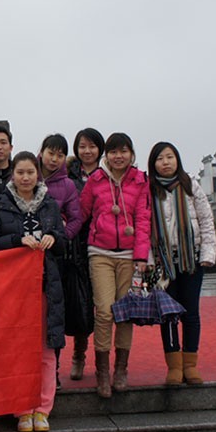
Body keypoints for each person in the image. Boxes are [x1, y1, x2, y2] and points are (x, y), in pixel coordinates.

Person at [0, 151, 66, 432]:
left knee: (45, 349)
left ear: (37, 174)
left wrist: (54, 238)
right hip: (12, 291)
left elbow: (64, 243)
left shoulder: (50, 205)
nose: (26, 177)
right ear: (13, 175)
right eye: (20, 172)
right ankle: (21, 408)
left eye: (31, 172)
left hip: (45, 286)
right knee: (15, 349)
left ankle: (43, 408)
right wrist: (17, 241)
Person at [80, 133, 151, 398]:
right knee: (105, 312)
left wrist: (142, 256)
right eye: (113, 152)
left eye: (123, 151)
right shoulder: (95, 181)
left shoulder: (140, 181)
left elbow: (143, 220)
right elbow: (81, 211)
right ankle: (101, 373)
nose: (118, 156)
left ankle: (120, 370)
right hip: (99, 253)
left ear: (132, 154)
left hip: (130, 256)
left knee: (125, 313)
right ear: (106, 155)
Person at [148, 142, 216, 385]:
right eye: (160, 158)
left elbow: (207, 221)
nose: (165, 162)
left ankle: (190, 365)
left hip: (191, 260)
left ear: (177, 160)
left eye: (170, 157)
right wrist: (147, 261)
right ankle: (174, 366)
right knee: (168, 314)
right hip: (163, 263)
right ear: (153, 163)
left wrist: (208, 253)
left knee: (191, 313)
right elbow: (145, 228)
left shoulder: (191, 186)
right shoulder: (149, 190)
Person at [38, 134, 82, 391]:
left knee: (53, 316)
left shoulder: (67, 186)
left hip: (55, 260)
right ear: (41, 151)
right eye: (50, 152)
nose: (54, 159)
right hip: (26, 259)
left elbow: (76, 219)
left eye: (60, 154)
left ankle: (52, 372)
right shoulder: (25, 172)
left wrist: (59, 237)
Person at [64, 127, 105, 380]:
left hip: (103, 245)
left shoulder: (107, 175)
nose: (86, 151)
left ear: (99, 149)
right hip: (76, 246)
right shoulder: (68, 176)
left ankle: (104, 360)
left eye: (91, 146)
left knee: (102, 305)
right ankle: (78, 355)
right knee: (80, 302)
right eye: (82, 146)